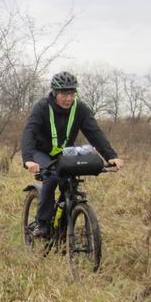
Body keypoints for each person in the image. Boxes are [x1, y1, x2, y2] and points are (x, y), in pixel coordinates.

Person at [21, 71, 125, 238]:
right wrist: (28, 160)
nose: (69, 98)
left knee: (70, 182)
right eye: (64, 93)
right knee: (52, 178)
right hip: (40, 152)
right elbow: (29, 132)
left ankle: (64, 227)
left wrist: (110, 155)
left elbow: (94, 133)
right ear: (55, 93)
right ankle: (42, 224)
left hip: (64, 153)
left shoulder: (80, 109)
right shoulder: (41, 108)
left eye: (72, 93)